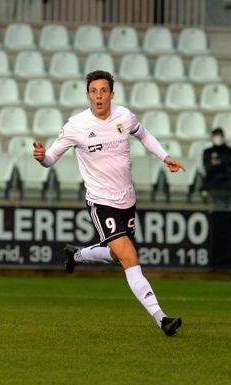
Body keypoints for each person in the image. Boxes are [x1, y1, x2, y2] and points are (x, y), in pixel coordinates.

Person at [33, 70, 186, 336]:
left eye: (104, 91)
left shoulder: (124, 117)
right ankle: (162, 318)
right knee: (129, 255)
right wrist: (41, 156)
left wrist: (165, 157)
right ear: (88, 94)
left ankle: (77, 254)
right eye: (94, 91)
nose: (99, 96)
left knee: (117, 254)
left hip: (127, 199)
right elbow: (50, 160)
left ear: (111, 94)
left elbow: (145, 135)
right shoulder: (76, 125)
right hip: (101, 201)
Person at [200, 127, 231, 207]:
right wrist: (226, 161)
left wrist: (219, 162)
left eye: (219, 135)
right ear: (212, 137)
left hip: (227, 180)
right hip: (212, 180)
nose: (218, 138)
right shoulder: (207, 152)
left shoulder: (230, 151)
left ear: (223, 137)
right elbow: (208, 166)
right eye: (215, 136)